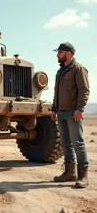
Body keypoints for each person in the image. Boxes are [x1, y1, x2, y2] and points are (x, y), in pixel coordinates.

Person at [51, 42, 90, 188]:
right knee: (66, 144)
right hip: (60, 113)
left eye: (60, 52)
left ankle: (83, 176)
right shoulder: (60, 72)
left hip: (73, 113)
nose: (57, 55)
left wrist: (80, 108)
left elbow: (84, 90)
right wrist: (54, 109)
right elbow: (56, 92)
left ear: (68, 53)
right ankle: (69, 172)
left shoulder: (78, 69)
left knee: (78, 144)